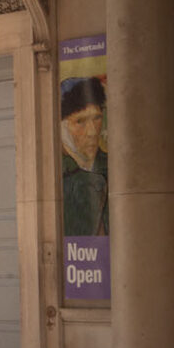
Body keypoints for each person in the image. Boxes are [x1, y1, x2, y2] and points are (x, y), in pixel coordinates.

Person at [59, 76, 109, 238]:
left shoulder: (113, 167)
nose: (93, 132)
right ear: (60, 127)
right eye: (80, 121)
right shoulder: (54, 175)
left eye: (97, 118)